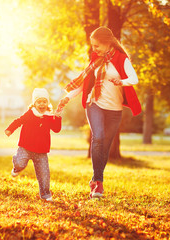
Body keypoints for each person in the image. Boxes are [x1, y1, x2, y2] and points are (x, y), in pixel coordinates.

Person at [57, 26, 141, 199]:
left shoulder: (121, 58)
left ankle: (95, 180)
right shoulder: (96, 60)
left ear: (107, 43)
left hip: (115, 110)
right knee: (99, 137)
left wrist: (121, 81)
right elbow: (84, 82)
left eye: (97, 46)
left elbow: (134, 78)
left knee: (106, 146)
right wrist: (68, 97)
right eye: (93, 46)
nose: (94, 49)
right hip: (94, 104)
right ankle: (99, 184)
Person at [5, 88, 62, 202]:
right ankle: (16, 168)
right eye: (39, 102)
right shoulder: (30, 114)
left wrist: (58, 117)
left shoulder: (49, 116)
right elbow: (19, 121)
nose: (42, 104)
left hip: (41, 151)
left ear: (48, 103)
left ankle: (46, 195)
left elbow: (56, 129)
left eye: (44, 101)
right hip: (25, 147)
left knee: (44, 174)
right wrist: (10, 129)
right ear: (34, 104)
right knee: (20, 162)